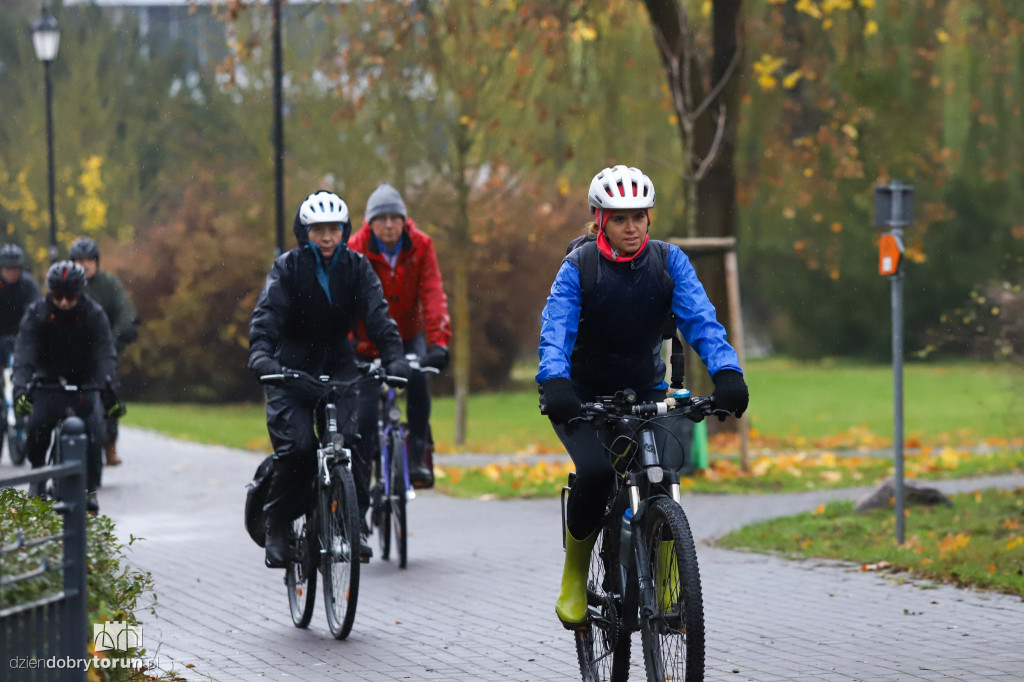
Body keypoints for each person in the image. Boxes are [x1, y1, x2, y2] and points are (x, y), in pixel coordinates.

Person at [536, 165, 749, 628]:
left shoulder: (669, 262)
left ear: (649, 218)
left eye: (638, 217)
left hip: (646, 391)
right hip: (582, 396)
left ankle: (671, 582)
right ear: (600, 220)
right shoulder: (579, 267)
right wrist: (554, 383)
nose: (631, 227)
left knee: (661, 472)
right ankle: (575, 575)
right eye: (619, 218)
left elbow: (702, 322)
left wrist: (728, 372)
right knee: (594, 473)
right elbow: (555, 332)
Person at [248, 190, 409, 569]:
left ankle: (354, 526)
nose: (326, 237)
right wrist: (261, 354)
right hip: (291, 369)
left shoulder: (356, 267)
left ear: (344, 231)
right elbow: (266, 317)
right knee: (300, 448)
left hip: (339, 365)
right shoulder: (287, 268)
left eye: (333, 229)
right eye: (318, 229)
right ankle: (278, 522)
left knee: (355, 443)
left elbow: (379, 316)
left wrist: (394, 358)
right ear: (305, 232)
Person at [349, 183, 451, 488]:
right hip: (366, 340)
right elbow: (348, 298)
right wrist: (349, 339)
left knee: (418, 377)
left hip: (407, 334)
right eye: (382, 219)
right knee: (364, 416)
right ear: (370, 223)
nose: (390, 224)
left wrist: (439, 343)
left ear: (404, 220)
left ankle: (418, 452)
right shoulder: (355, 247)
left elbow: (433, 293)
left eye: (396, 218)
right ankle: (362, 479)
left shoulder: (421, 245)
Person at [12, 261, 122, 514]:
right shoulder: (36, 313)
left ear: (80, 293)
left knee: (94, 431)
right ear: (50, 292)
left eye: (70, 296)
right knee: (38, 425)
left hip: (84, 383)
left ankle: (90, 489)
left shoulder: (93, 314)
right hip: (47, 382)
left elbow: (105, 354)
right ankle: (38, 477)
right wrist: (20, 389)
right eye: (57, 295)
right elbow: (24, 355)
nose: (63, 302)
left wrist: (107, 386)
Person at [69, 237, 137, 467]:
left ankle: (110, 446)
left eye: (90, 260)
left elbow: (125, 310)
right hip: (69, 351)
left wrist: (122, 333)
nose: (85, 264)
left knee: (111, 391)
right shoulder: (64, 285)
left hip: (102, 350)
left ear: (97, 262)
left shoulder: (109, 284)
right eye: (79, 260)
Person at [0, 244, 42, 447]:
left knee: (23, 371)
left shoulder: (28, 284)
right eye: (7, 269)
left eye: (14, 268)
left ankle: (23, 408)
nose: (10, 273)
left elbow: (38, 309)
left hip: (21, 336)